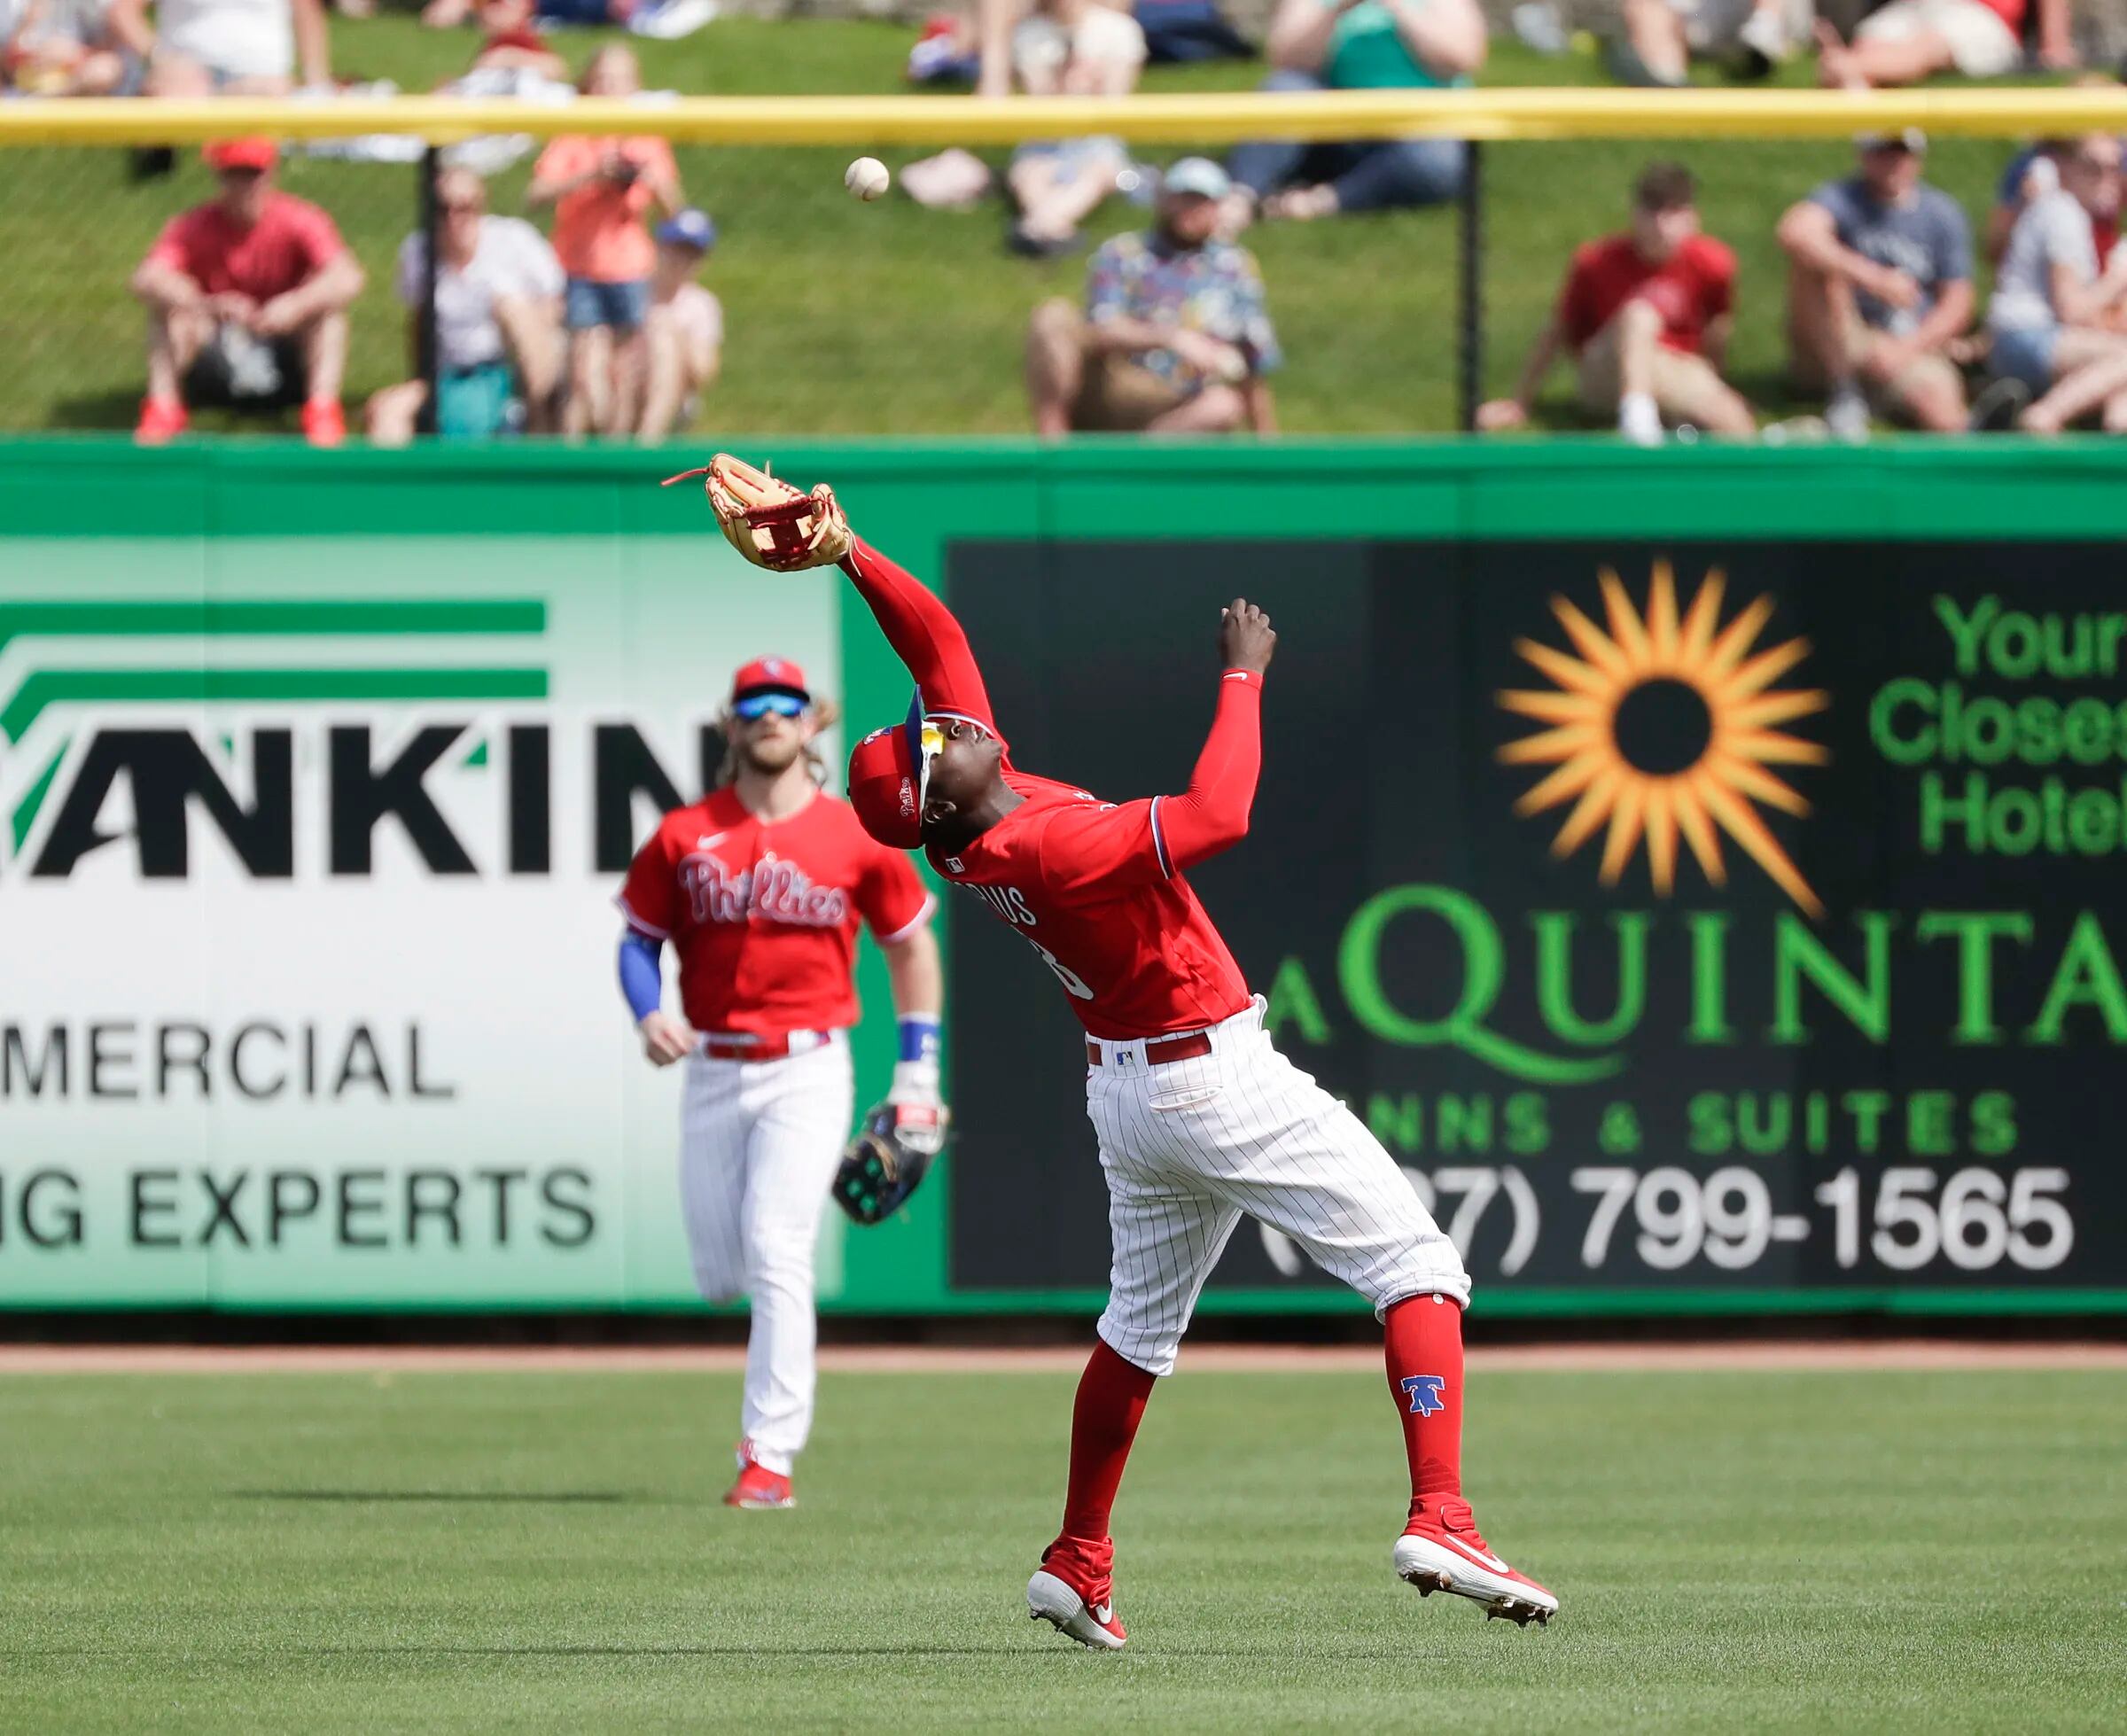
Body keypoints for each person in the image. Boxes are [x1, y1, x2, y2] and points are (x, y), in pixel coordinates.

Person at [688, 473, 1555, 1645]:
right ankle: (1441, 1511)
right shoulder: (1045, 837)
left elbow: (937, 639)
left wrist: (849, 552)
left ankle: (1077, 1556)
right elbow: (1220, 814)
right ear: (949, 794)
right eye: (936, 740)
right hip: (1213, 1078)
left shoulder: (973, 813)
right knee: (1420, 1264)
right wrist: (1242, 675)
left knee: (1137, 1332)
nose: (952, 720)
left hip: (1133, 1095)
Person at [616, 656, 945, 1511]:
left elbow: (910, 945)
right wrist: (648, 1009)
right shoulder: (685, 833)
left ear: (811, 724)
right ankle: (766, 1437)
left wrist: (918, 1069)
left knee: (777, 1246)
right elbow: (637, 937)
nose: (770, 714)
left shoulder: (853, 835)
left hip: (808, 1065)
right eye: (753, 703)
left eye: (787, 703)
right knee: (723, 1274)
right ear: (732, 726)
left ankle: (769, 1457)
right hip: (713, 1069)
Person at [1477, 160, 1752, 445]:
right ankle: (1638, 421)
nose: (1660, 225)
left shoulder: (1713, 263)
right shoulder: (1596, 262)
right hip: (1607, 369)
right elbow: (1558, 331)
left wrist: (1716, 384)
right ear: (1634, 213)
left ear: (1692, 218)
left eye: (1673, 212)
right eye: (1652, 211)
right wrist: (1521, 400)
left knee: (1733, 420)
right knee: (1639, 314)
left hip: (1673, 365)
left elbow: (1717, 331)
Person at [130, 136, 363, 446]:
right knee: (167, 312)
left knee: (329, 316)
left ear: (271, 175)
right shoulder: (196, 224)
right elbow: (146, 277)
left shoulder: (298, 218)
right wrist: (204, 303)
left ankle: (321, 412)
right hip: (214, 344)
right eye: (233, 174)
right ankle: (163, 410)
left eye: (252, 174)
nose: (244, 186)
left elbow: (349, 277)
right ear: (219, 177)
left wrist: (295, 304)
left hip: (285, 343)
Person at [1025, 157, 1280, 436]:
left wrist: (1268, 447)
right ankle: (1054, 453)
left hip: (1178, 399)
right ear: (1164, 201)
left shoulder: (1234, 268)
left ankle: (1135, 462)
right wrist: (1172, 339)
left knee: (1223, 405)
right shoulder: (1123, 253)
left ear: (1217, 207)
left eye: (1200, 200)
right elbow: (1102, 329)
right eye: (1182, 198)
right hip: (1113, 381)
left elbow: (1253, 361)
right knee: (1052, 317)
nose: (1189, 209)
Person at [526, 43, 682, 438]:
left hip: (629, 269)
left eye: (621, 80)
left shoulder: (644, 138)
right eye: (603, 79)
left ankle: (621, 454)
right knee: (583, 373)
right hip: (579, 269)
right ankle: (576, 459)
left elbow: (675, 211)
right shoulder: (575, 135)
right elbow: (536, 194)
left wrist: (646, 176)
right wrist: (594, 174)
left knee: (625, 371)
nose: (611, 88)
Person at [1776, 130, 1974, 437]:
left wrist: (1907, 348)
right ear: (1864, 156)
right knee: (1817, 266)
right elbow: (1795, 231)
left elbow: (1958, 302)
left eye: (1900, 152)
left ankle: (1981, 445)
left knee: (1941, 411)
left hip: (1908, 341)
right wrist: (1874, 279)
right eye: (1881, 152)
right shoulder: (1843, 198)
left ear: (1916, 158)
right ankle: (1845, 394)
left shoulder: (1941, 213)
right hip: (1844, 338)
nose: (1892, 162)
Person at [1227, 0, 1483, 222]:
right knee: (1284, 89)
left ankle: (1322, 202)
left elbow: (1460, 58)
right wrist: (1337, 10)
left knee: (1435, 162)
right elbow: (1286, 59)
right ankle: (1238, 199)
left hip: (1417, 131)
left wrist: (1397, 8)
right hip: (1335, 127)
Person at [364, 167, 564, 447]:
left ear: (481, 207)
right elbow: (418, 323)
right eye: (443, 209)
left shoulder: (514, 241)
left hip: (505, 367)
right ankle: (397, 488)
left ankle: (541, 448)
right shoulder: (419, 253)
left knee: (511, 306)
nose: (453, 219)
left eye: (464, 208)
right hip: (449, 375)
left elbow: (553, 307)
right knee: (387, 409)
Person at [1986, 134, 2127, 433]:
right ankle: (2043, 417)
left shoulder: (2070, 212)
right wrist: (2118, 279)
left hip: (2030, 335)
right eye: (2094, 166)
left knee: (2121, 396)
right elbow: (2071, 311)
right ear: (2065, 166)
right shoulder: (2062, 213)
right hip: (2023, 337)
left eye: (2115, 167)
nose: (2107, 178)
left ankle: (2117, 436)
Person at [1004, 0, 1147, 257]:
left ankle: (1034, 228)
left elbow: (1116, 104)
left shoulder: (1119, 30)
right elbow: (1038, 104)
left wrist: (1092, 84)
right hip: (1047, 137)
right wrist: (1062, 84)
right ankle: (1056, 230)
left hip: (1098, 139)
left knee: (1097, 174)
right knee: (1028, 173)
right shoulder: (1030, 33)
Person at [1814, 0, 2073, 90]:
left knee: (1929, 45)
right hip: (1917, 8)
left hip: (1984, 13)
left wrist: (2054, 44)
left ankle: (1846, 66)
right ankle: (1853, 73)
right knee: (1869, 41)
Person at [107, 0, 331, 95]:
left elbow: (307, 14)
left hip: (262, 75)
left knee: (265, 93)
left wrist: (316, 84)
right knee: (175, 93)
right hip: (186, 75)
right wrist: (159, 57)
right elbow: (123, 13)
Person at [636, 207, 723, 441]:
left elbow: (702, 371)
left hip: (672, 392)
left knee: (665, 343)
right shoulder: (634, 292)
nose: (681, 261)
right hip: (628, 376)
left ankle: (645, 445)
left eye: (691, 254)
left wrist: (673, 333)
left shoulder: (701, 306)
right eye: (676, 251)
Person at [1609, 0, 1811, 85]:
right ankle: (1672, 87)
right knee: (1645, 6)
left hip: (1772, 10)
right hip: (1702, 15)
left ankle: (1764, 32)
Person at [2, 0, 130, 95]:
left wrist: (76, 54)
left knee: (105, 69)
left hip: (76, 79)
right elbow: (8, 56)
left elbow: (109, 48)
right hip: (23, 82)